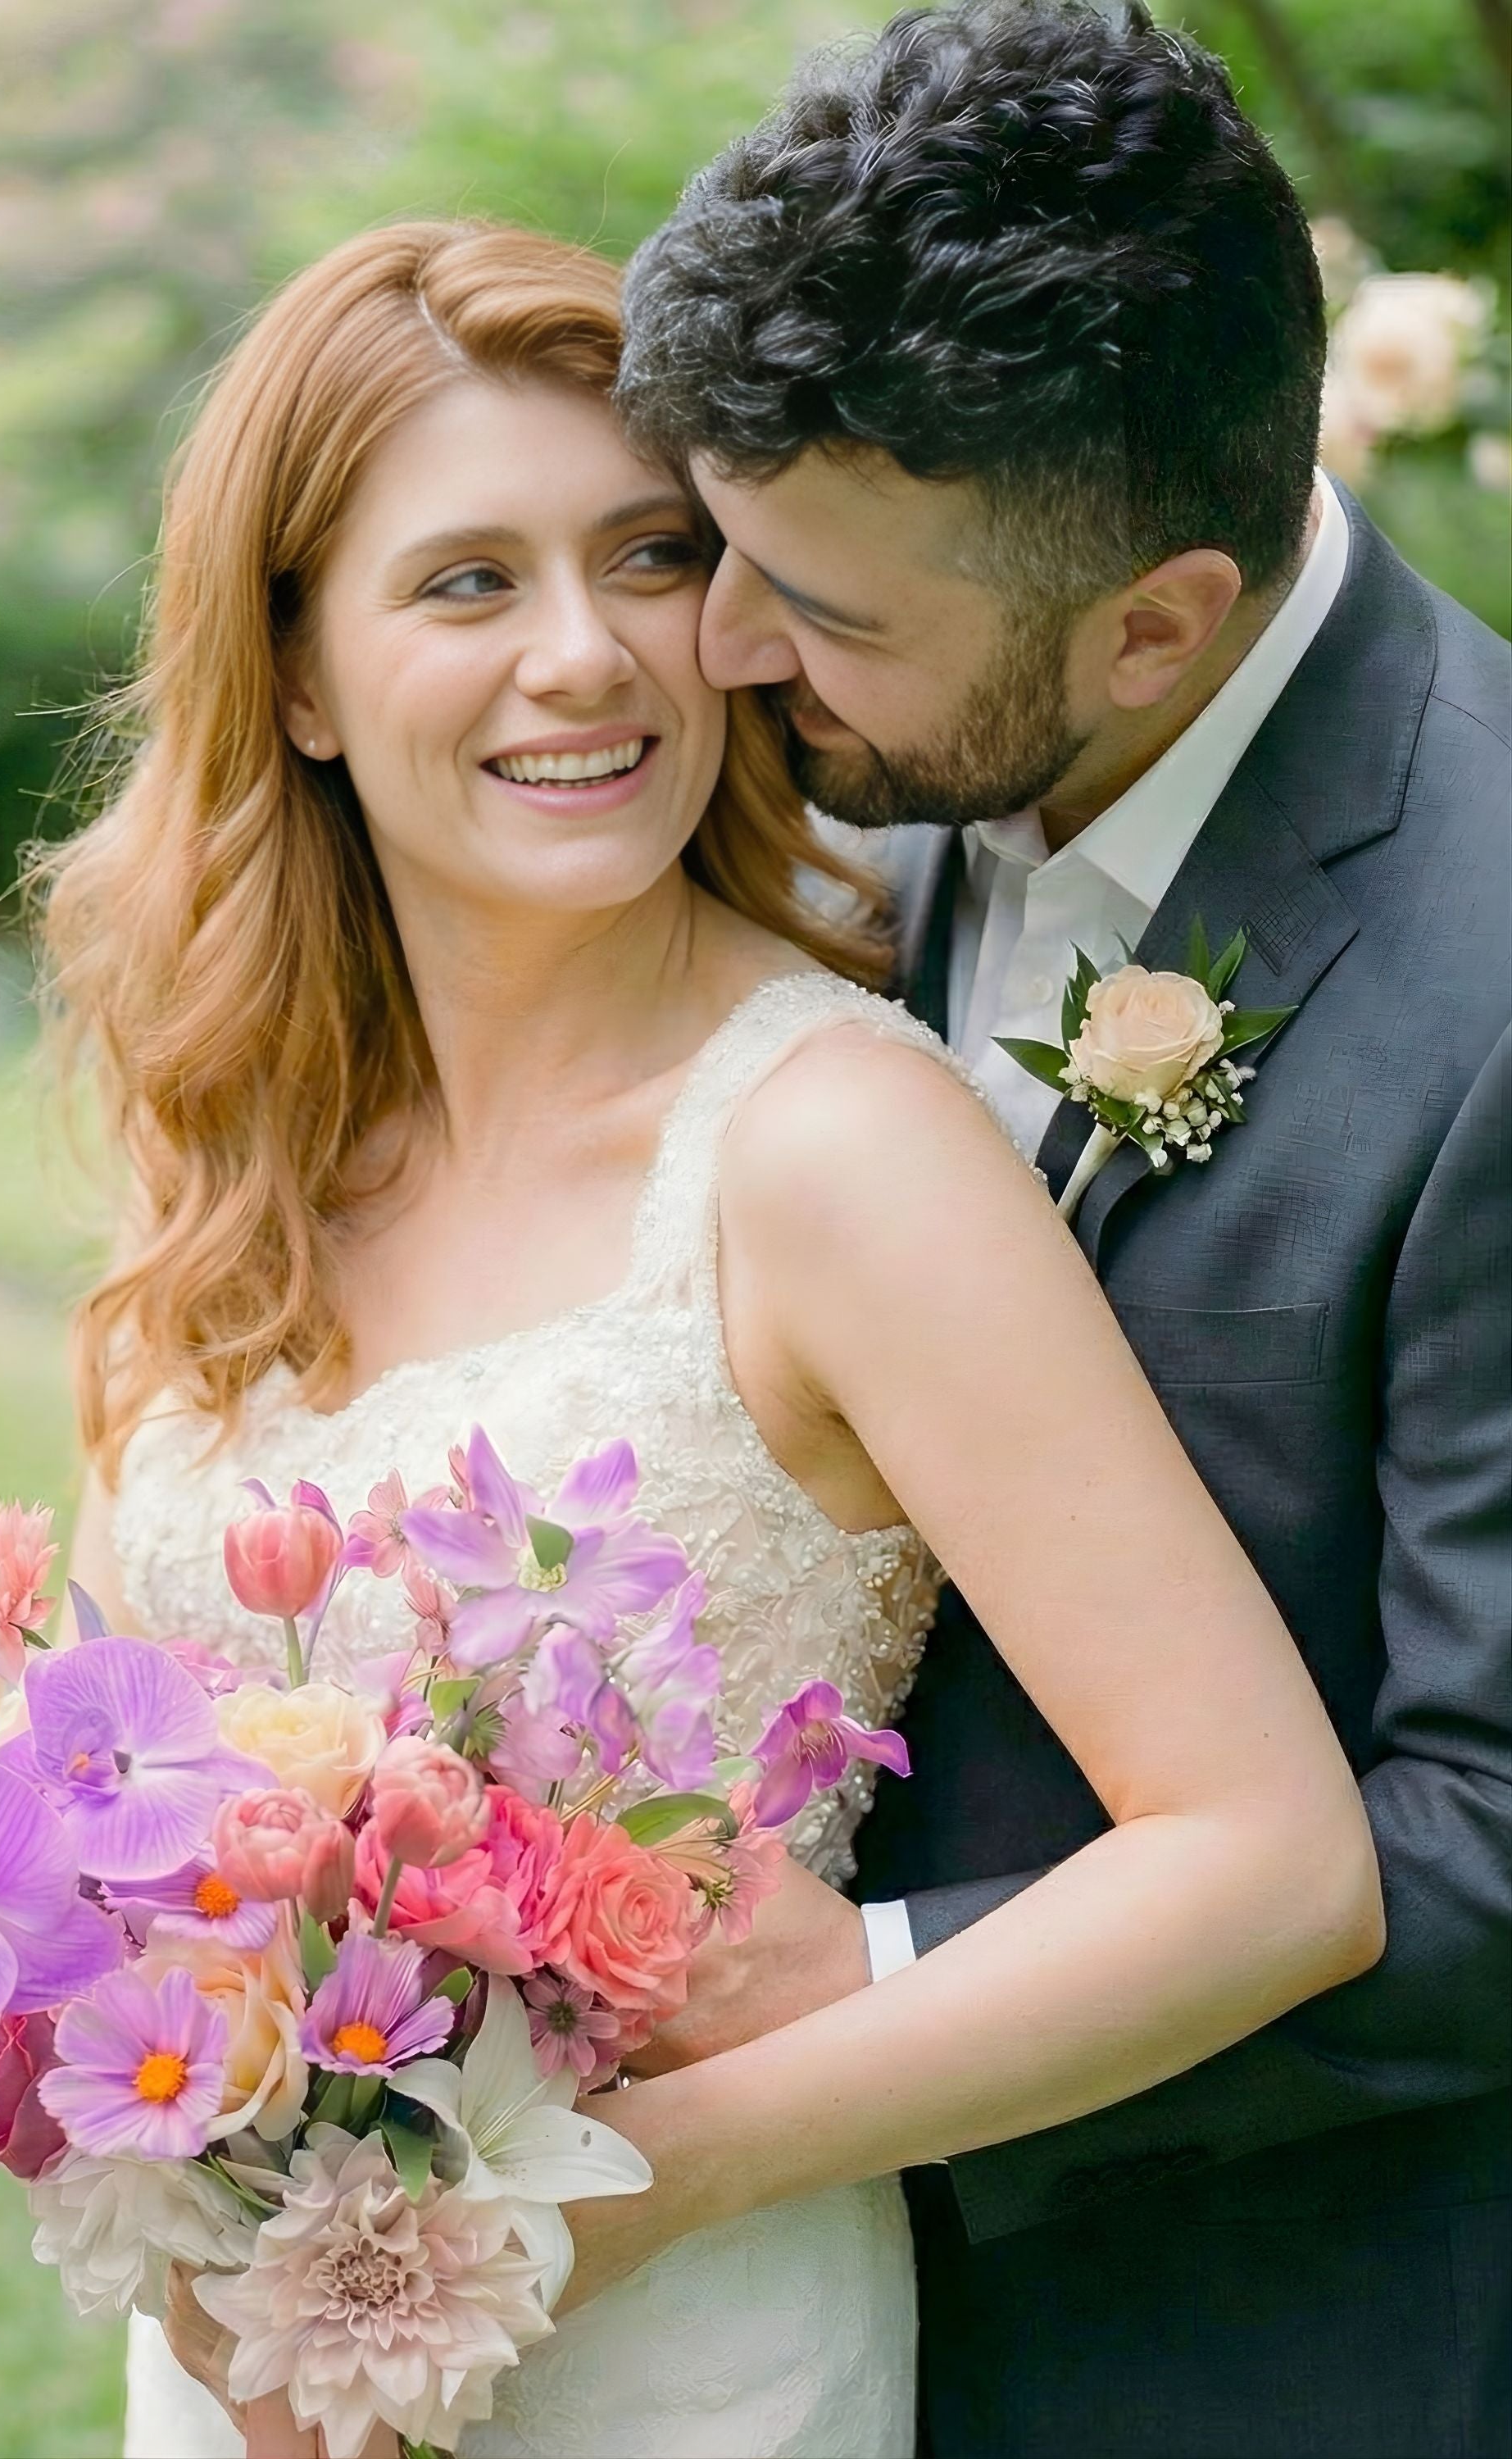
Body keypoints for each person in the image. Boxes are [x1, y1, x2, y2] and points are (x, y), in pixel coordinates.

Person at [38, 218, 1379, 2459]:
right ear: (296, 677)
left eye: (648, 557)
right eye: (468, 583)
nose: (584, 657)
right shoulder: (234, 1176)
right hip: (246, 2365)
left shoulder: (830, 1148)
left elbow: (1269, 1863)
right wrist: (173, 2194)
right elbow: (100, 1822)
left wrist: (633, 2192)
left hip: (693, 2347)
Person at [614, 4, 1512, 2454]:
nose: (721, 651)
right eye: (722, 546)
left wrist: (877, 1990)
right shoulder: (830, 795)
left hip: (1247, 2343)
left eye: (822, 611)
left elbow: (1497, 1839)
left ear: (1152, 623)